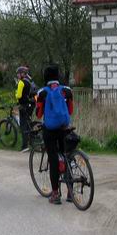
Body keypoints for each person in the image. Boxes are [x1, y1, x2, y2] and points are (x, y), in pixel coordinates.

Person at [36, 64, 74, 205]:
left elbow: (39, 114)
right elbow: (70, 110)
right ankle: (71, 192)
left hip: (50, 129)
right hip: (65, 127)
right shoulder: (66, 90)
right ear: (58, 77)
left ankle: (55, 194)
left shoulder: (42, 93)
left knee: (53, 159)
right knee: (67, 156)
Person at [15, 66, 34, 152]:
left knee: (23, 125)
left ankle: (24, 146)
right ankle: (32, 142)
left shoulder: (21, 82)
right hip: (31, 104)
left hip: (23, 105)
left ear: (22, 74)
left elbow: (19, 95)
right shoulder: (29, 81)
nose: (17, 75)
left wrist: (15, 94)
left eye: (18, 74)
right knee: (28, 123)